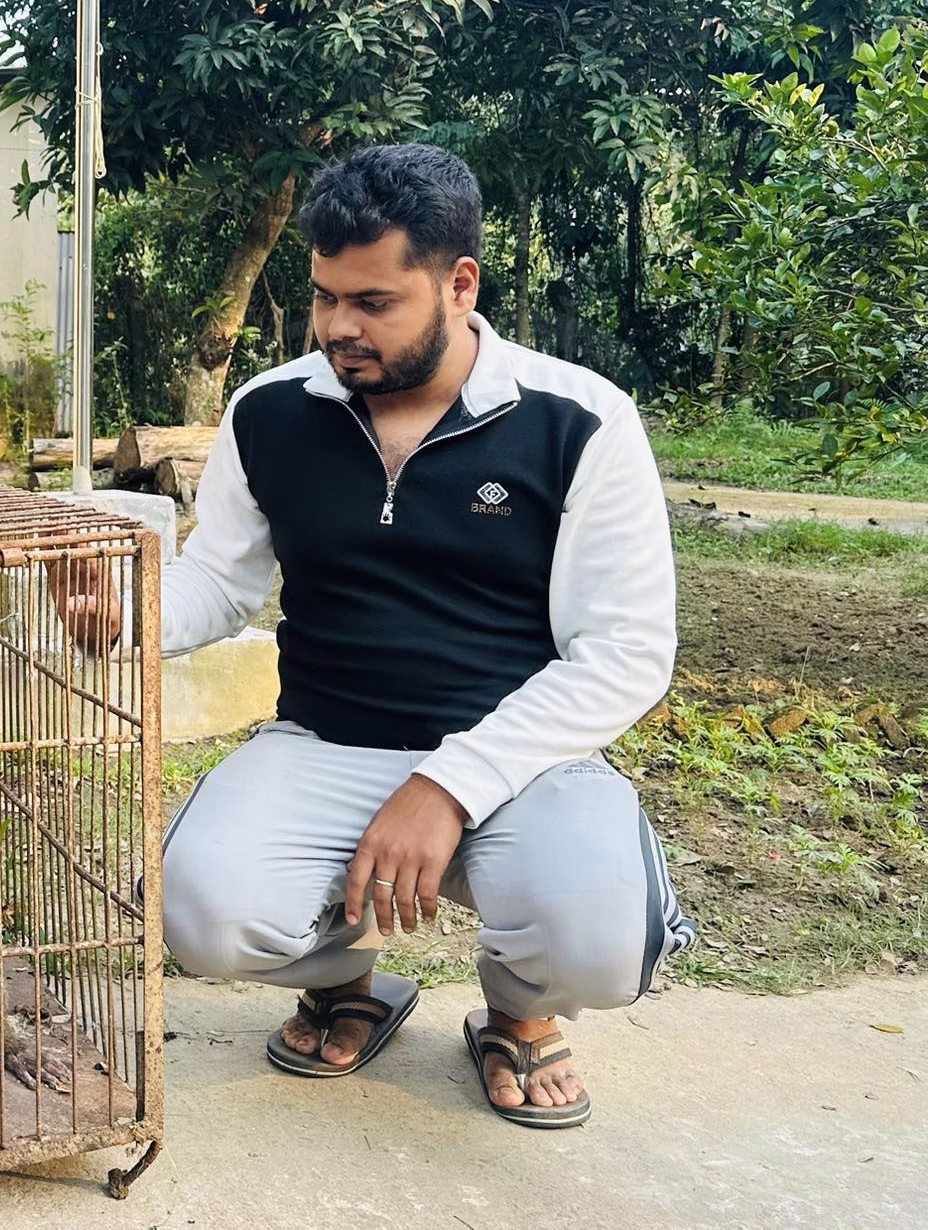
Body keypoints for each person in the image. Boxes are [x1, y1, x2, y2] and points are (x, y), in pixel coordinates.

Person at [55, 144, 693, 1128]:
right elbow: (219, 585)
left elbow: (626, 651)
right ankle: (347, 982)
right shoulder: (267, 414)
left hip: (523, 759)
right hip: (327, 741)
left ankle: (518, 1013)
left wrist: (445, 785)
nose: (336, 329)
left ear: (456, 284)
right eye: (320, 298)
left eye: (372, 302)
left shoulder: (579, 423)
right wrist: (123, 618)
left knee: (600, 944)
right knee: (201, 914)